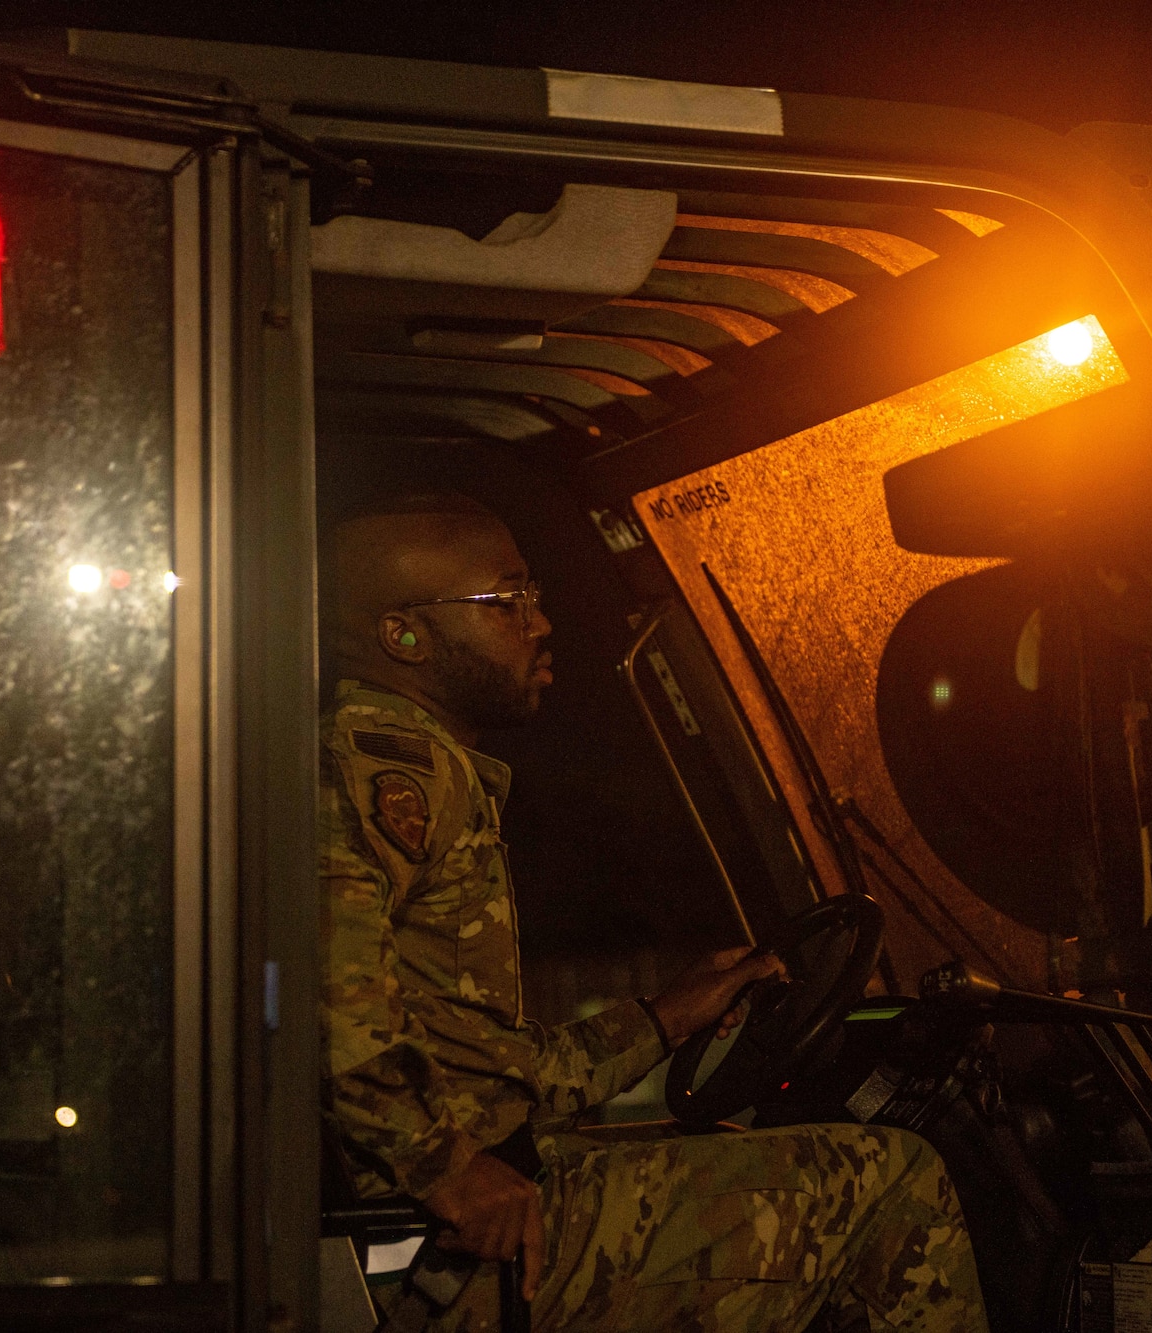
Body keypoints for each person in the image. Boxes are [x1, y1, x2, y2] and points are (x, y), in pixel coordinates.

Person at [320, 492, 990, 1331]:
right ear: (403, 635)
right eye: (509, 599)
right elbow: (318, 980)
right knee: (892, 1176)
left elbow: (494, 1070)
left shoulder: (424, 768)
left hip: (472, 1199)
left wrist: (661, 1017)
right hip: (434, 1252)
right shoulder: (382, 770)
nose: (541, 622)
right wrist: (441, 1166)